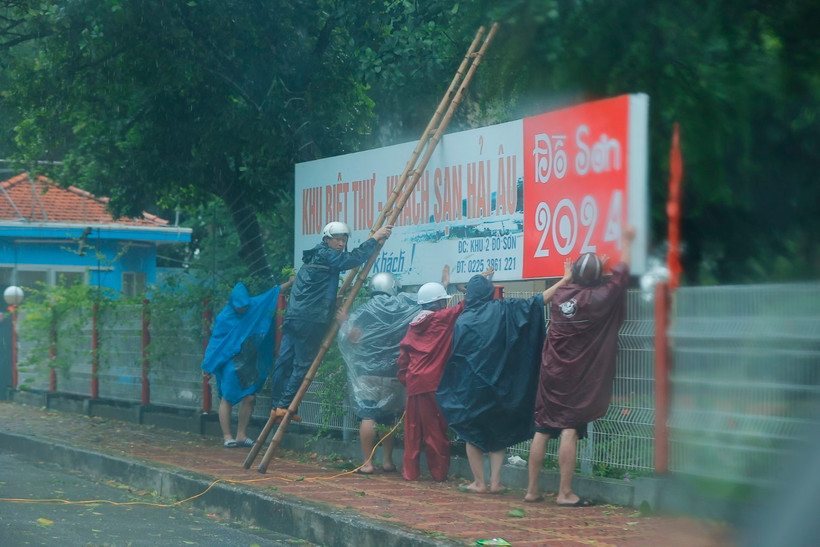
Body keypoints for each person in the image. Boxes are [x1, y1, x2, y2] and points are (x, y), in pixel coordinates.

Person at [436, 261, 572, 494]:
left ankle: (479, 482)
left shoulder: (463, 320)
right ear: (489, 293)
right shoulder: (505, 310)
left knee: (471, 433)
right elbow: (537, 302)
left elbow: (458, 358)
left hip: (471, 388)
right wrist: (566, 279)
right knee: (498, 432)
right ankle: (496, 482)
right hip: (500, 386)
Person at [524, 226, 636, 506]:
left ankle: (532, 490)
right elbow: (621, 276)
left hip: (550, 372)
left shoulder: (561, 295)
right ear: (597, 279)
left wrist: (573, 276)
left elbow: (577, 284)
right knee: (569, 428)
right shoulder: (597, 298)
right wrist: (626, 241)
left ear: (573, 274)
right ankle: (565, 493)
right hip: (576, 377)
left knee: (542, 429)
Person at [269, 221, 392, 423]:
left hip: (293, 316)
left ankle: (276, 406)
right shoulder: (328, 255)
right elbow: (353, 259)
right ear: (327, 239)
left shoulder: (315, 255)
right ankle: (285, 405)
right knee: (302, 364)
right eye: (337, 240)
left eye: (344, 240)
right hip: (310, 319)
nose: (341, 244)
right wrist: (374, 239)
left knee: (284, 361)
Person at [396, 264, 481, 482]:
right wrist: (478, 282)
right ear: (437, 303)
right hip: (433, 384)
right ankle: (439, 473)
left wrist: (407, 380)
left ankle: (410, 473)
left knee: (412, 431)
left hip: (414, 384)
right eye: (443, 301)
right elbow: (464, 305)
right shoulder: (440, 319)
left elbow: (403, 359)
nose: (445, 304)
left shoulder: (414, 324)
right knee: (435, 431)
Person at [337, 272, 420, 474]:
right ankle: (388, 461)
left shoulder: (364, 311)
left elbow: (352, 338)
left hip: (368, 374)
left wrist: (344, 323)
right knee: (388, 418)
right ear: (393, 286)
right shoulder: (403, 309)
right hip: (393, 373)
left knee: (368, 415)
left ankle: (367, 463)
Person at [201, 280, 289, 447]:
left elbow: (273, 293)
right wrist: (208, 365)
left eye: (244, 306)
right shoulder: (224, 318)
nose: (242, 309)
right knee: (227, 397)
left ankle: (241, 435)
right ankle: (227, 436)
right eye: (239, 306)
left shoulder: (254, 305)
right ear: (232, 303)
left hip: (249, 359)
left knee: (249, 397)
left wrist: (291, 282)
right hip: (229, 361)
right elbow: (215, 343)